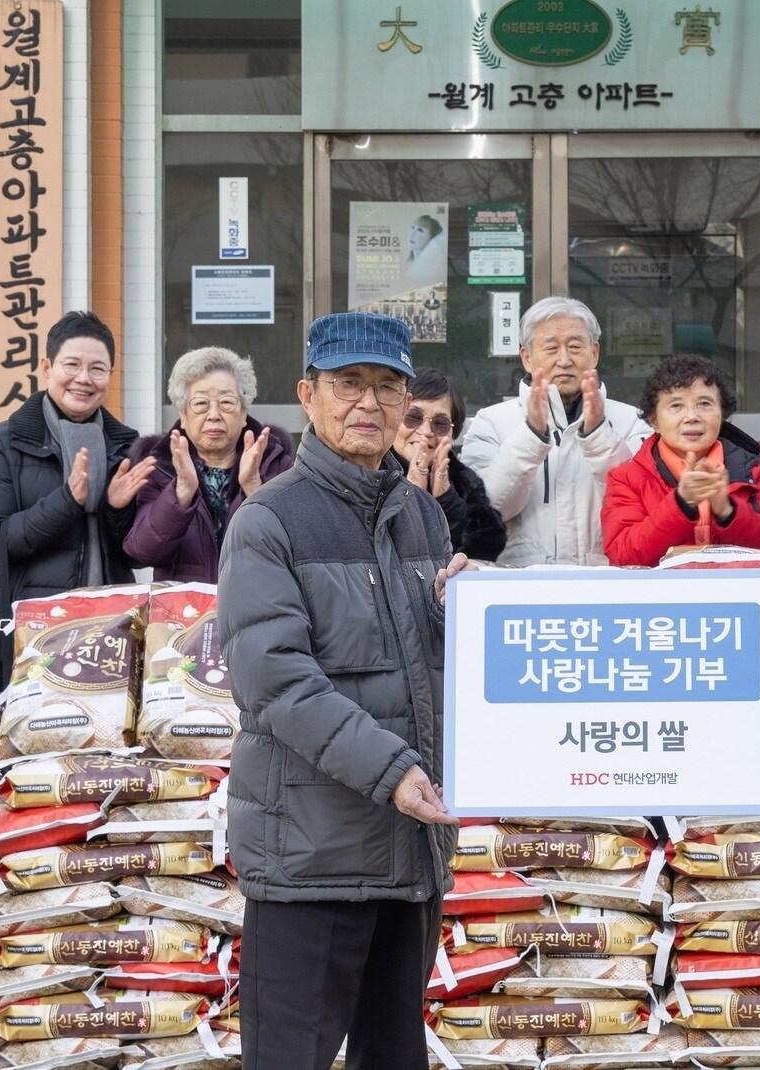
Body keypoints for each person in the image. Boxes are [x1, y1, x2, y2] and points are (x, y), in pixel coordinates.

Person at [218, 311, 467, 1070]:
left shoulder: (421, 514)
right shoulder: (269, 520)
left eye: (387, 386)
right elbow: (275, 680)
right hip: (311, 852)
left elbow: (427, 667)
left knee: (394, 1055)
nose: (369, 402)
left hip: (409, 849)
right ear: (309, 396)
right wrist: (393, 771)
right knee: (291, 1056)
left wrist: (466, 617)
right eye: (348, 384)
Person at [0, 311, 156, 693]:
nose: (84, 379)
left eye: (97, 368)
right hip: (29, 639)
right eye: (72, 365)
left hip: (110, 637)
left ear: (110, 376)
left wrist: (117, 511)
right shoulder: (5, 442)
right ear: (47, 367)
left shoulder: (126, 445)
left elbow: (138, 554)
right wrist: (67, 501)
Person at [461, 296, 650, 565]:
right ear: (526, 357)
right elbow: (485, 511)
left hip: (606, 586)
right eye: (550, 348)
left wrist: (597, 433)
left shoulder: (632, 420)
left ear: (594, 353)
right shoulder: (490, 422)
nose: (564, 360)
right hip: (519, 588)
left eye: (575, 346)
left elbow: (640, 504)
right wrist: (532, 436)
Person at [124, 347, 294, 582]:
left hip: (256, 610)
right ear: (183, 415)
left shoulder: (275, 463)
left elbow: (296, 546)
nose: (214, 414)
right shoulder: (159, 466)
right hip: (183, 613)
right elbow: (144, 551)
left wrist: (254, 487)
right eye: (201, 404)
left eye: (226, 402)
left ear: (244, 412)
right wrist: (181, 492)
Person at [601, 355, 760, 566]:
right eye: (676, 406)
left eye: (704, 404)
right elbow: (623, 555)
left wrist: (726, 510)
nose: (692, 416)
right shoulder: (627, 478)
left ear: (722, 414)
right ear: (654, 420)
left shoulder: (748, 469)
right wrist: (681, 503)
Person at [390, 368, 506, 562]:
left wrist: (446, 501)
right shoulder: (369, 474)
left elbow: (487, 546)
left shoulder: (463, 481)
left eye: (440, 423)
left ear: (453, 432)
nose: (426, 431)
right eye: (413, 417)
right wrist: (412, 500)